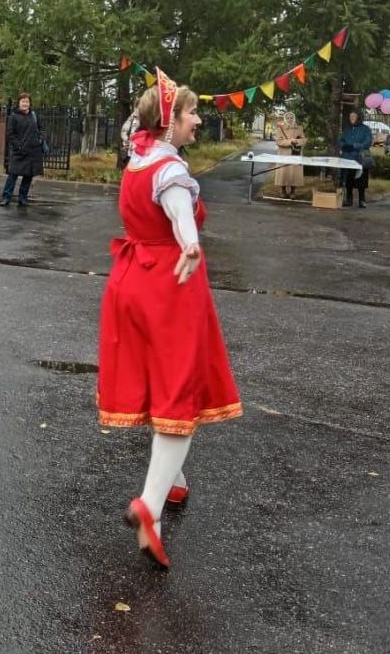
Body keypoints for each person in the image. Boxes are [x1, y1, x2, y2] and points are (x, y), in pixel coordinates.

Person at [96, 69, 241, 569]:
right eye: (191, 113)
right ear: (169, 121)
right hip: (169, 287)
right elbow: (181, 214)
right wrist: (192, 246)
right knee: (181, 396)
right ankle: (149, 508)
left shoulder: (137, 160)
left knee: (159, 385)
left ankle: (173, 483)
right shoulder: (169, 169)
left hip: (132, 281)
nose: (198, 120)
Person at [0, 92, 44, 207]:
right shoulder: (14, 117)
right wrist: (18, 146)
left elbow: (41, 129)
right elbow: (10, 134)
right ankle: (6, 197)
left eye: (27, 101)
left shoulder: (34, 115)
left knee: (28, 176)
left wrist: (40, 140)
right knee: (12, 175)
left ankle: (23, 198)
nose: (25, 104)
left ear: (30, 103)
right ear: (19, 103)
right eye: (23, 101)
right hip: (19, 151)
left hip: (33, 151)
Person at [338, 109, 373, 208]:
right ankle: (349, 199)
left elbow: (368, 142)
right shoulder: (347, 129)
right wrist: (343, 145)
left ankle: (362, 200)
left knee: (361, 180)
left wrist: (355, 146)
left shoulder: (365, 129)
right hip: (347, 157)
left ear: (359, 117)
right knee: (348, 179)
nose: (351, 118)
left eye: (354, 116)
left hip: (359, 157)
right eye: (350, 116)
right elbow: (340, 140)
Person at [273, 110, 306, 199]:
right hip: (283, 154)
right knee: (283, 173)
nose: (289, 119)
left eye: (291, 117)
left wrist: (297, 141)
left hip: (296, 154)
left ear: (294, 118)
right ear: (285, 119)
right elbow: (278, 141)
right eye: (287, 118)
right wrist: (290, 141)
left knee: (295, 174)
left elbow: (303, 140)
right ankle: (283, 191)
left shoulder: (300, 128)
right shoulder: (280, 129)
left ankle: (293, 192)